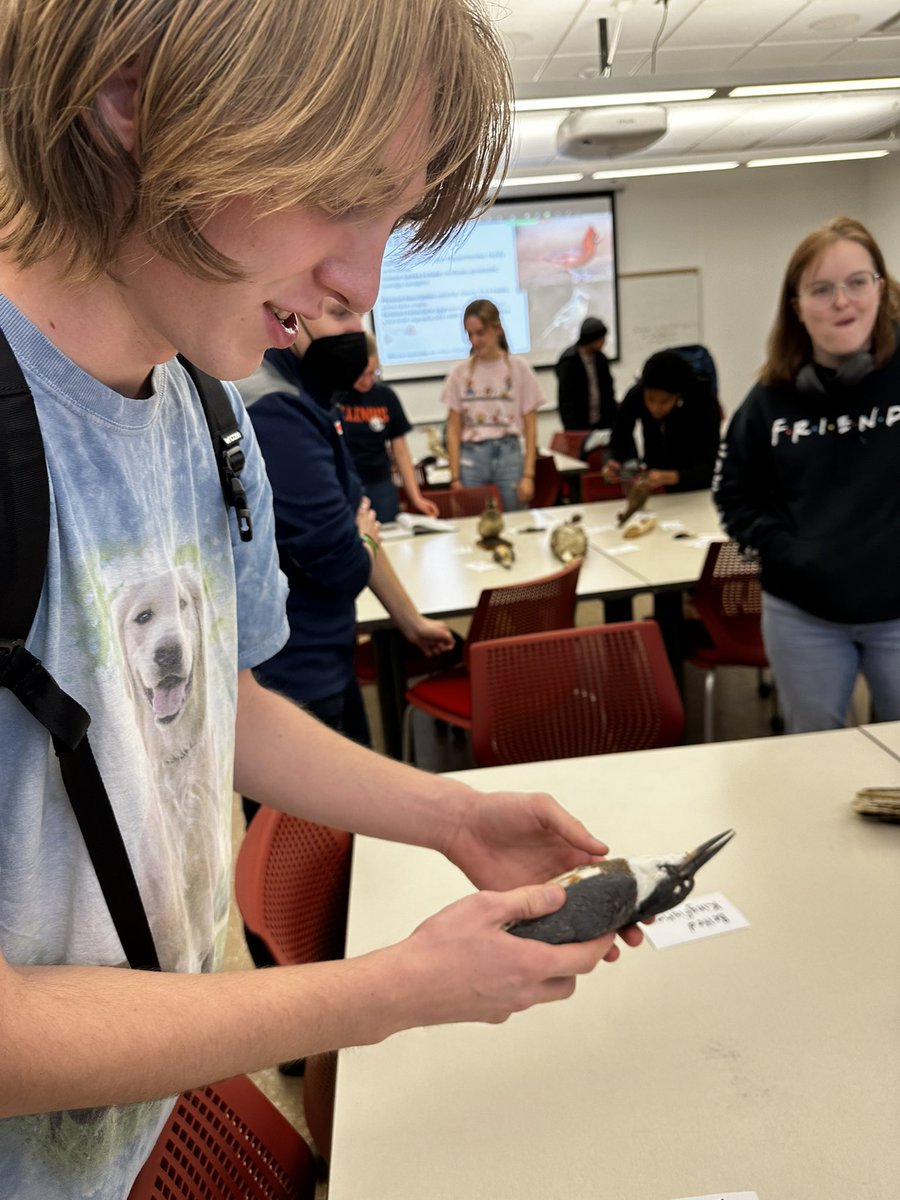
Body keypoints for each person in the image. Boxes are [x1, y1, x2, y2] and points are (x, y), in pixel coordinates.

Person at [0, 2, 644, 1196]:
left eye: (389, 220)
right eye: (338, 195)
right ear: (132, 100)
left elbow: (208, 715)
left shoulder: (208, 412)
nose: (360, 283)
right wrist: (387, 992)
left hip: (136, 1134)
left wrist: (448, 820)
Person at [235, 303, 454, 750]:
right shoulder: (275, 408)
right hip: (293, 669)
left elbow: (358, 516)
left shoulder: (314, 394)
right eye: (339, 314)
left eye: (359, 315)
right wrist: (365, 540)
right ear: (289, 317)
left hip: (329, 649)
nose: (356, 328)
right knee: (317, 815)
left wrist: (410, 622)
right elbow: (345, 560)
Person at [715, 215, 900, 733]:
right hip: (804, 617)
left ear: (881, 290)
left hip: (897, 614)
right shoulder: (767, 402)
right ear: (796, 307)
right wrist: (789, 552)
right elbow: (733, 498)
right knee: (814, 756)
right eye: (821, 289)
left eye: (857, 283)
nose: (842, 301)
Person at [443, 298, 543, 511]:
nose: (475, 340)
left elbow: (531, 426)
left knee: (515, 520)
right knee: (474, 523)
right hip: (472, 457)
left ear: (496, 329)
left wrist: (528, 475)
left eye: (480, 333)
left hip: (509, 453)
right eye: (470, 335)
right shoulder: (459, 373)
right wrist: (454, 477)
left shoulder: (520, 369)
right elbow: (453, 429)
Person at [337, 332, 439, 522]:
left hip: (380, 484)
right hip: (345, 483)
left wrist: (416, 497)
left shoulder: (385, 396)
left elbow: (400, 451)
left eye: (372, 373)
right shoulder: (335, 397)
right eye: (360, 374)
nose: (367, 381)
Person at [604, 349, 721, 493]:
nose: (655, 408)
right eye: (650, 399)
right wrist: (611, 463)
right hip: (656, 487)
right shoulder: (636, 395)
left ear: (679, 395)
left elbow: (711, 466)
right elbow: (618, 439)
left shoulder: (704, 401)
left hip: (696, 490)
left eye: (664, 402)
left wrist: (673, 477)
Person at [554, 316, 617, 433]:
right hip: (578, 426)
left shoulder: (601, 359)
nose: (604, 342)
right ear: (591, 339)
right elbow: (566, 401)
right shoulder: (569, 361)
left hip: (602, 423)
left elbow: (608, 391)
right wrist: (571, 429)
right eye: (601, 338)